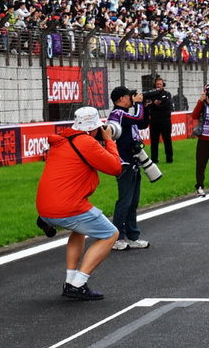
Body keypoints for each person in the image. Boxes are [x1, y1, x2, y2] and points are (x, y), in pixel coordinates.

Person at [36, 105, 124, 301]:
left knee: (80, 229)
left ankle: (70, 280)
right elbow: (115, 167)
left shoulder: (63, 139)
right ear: (93, 128)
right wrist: (109, 141)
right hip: (67, 207)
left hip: (45, 206)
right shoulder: (87, 143)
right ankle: (78, 283)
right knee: (111, 234)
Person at [107, 86, 149, 250]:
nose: (132, 98)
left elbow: (143, 123)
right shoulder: (117, 114)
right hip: (124, 163)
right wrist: (139, 104)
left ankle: (132, 236)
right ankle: (117, 238)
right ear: (121, 99)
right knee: (124, 201)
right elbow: (138, 118)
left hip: (135, 161)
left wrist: (146, 105)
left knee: (133, 202)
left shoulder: (127, 115)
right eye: (129, 96)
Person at [142, 75, 175, 164]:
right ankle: (154, 159)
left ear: (163, 85)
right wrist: (154, 104)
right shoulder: (151, 95)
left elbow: (166, 105)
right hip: (154, 121)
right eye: (157, 84)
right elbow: (147, 105)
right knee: (154, 141)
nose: (158, 85)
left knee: (167, 140)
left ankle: (169, 159)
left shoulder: (167, 94)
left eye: (160, 84)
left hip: (165, 121)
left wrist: (154, 104)